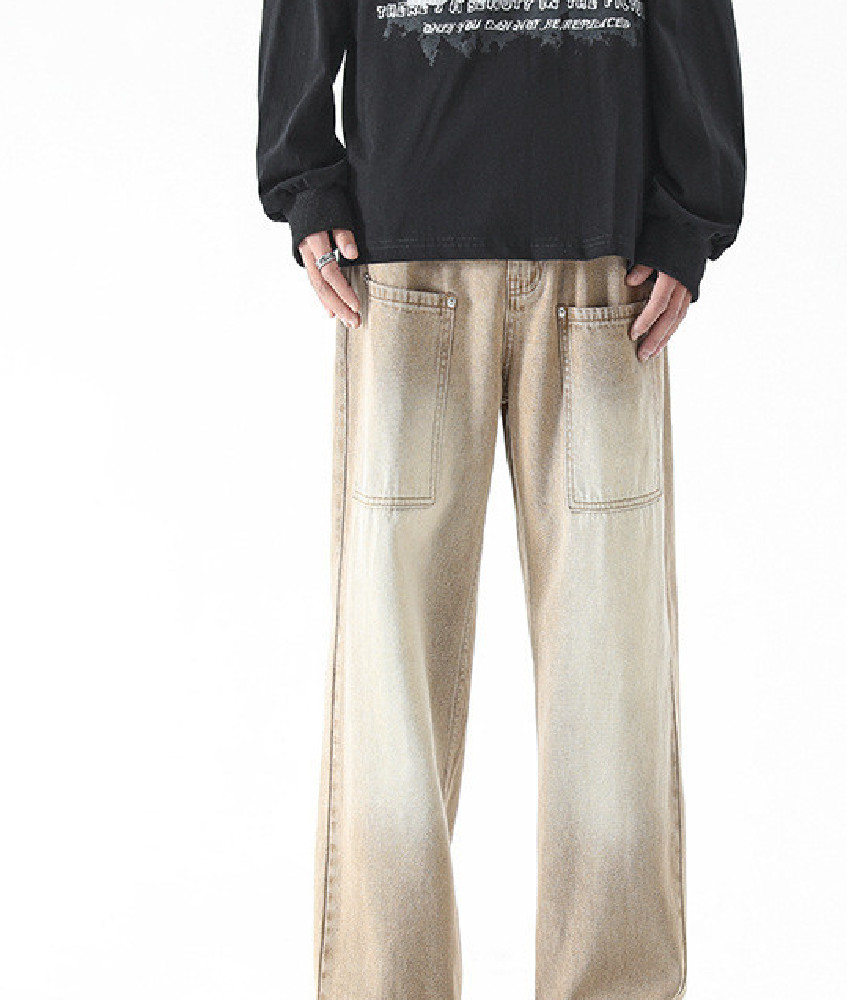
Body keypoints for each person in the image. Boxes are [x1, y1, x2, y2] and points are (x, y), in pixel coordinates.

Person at [256, 0, 745, 994]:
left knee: (611, 671)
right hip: (404, 261)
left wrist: (690, 210)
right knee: (390, 673)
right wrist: (304, 174)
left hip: (603, 271)